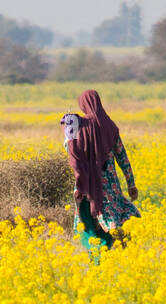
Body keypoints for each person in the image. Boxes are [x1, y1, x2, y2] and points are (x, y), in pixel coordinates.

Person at [61, 90, 140, 256]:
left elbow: (71, 151)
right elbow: (123, 157)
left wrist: (69, 128)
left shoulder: (78, 125)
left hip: (86, 185)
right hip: (110, 184)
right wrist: (131, 183)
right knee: (112, 215)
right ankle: (115, 250)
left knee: (89, 222)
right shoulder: (110, 126)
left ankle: (99, 256)